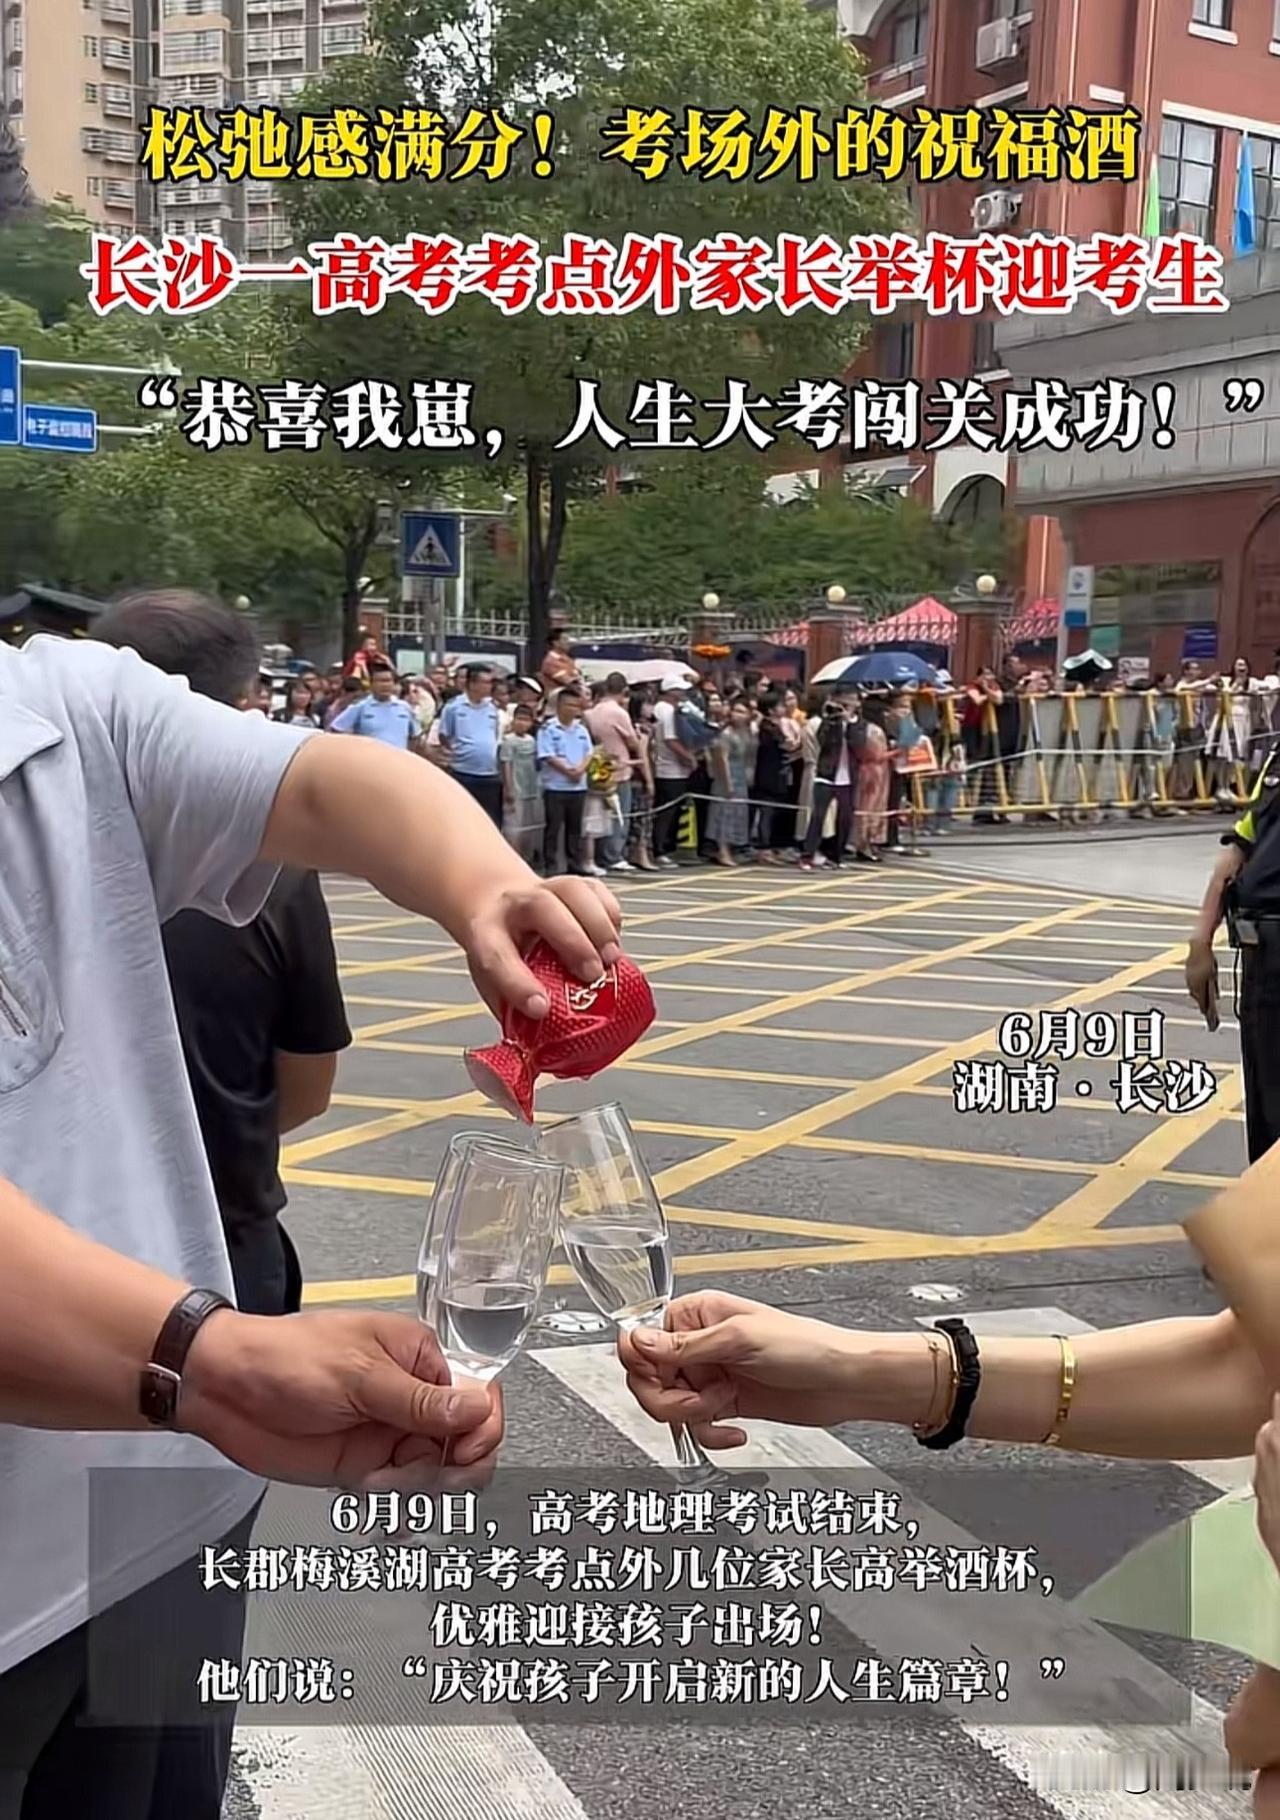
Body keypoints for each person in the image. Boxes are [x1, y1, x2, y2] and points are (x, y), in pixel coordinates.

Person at [0, 626, 621, 1819]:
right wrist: (213, 1360)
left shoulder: (59, 707)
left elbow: (333, 782)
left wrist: (485, 883)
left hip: (154, 1502)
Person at [93, 590, 351, 1321]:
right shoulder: (275, 875)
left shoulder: (32, 851)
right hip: (222, 1240)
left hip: (51, 1249)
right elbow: (308, 1088)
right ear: (242, 710)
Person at [1187, 750, 1280, 1162]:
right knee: (1268, 1112)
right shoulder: (1278, 760)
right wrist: (1200, 941)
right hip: (1265, 961)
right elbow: (1238, 849)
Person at [586, 673, 642, 874]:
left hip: (597, 768)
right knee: (619, 815)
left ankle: (600, 855)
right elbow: (633, 742)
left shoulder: (591, 712)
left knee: (600, 816)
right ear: (624, 690)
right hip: (620, 768)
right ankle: (614, 856)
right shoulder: (619, 713)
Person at [537, 683, 594, 877]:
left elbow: (589, 753)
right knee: (553, 828)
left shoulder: (581, 729)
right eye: (569, 705)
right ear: (560, 706)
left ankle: (574, 863)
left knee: (575, 828)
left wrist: (580, 770)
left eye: (577, 706)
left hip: (578, 786)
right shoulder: (548, 728)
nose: (573, 709)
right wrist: (568, 771)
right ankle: (551, 864)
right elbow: (547, 755)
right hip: (555, 786)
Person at [437, 663, 503, 825]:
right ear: (472, 684)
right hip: (463, 771)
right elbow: (444, 734)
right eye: (486, 682)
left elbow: (494, 734)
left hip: (490, 773)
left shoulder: (492, 708)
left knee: (491, 820)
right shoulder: (453, 707)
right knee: (463, 818)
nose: (490, 686)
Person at [800, 694, 857, 871]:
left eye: (846, 706)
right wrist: (832, 721)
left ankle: (837, 856)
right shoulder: (829, 723)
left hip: (847, 778)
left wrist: (850, 722)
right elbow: (822, 740)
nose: (842, 709)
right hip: (826, 775)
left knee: (845, 819)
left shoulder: (857, 724)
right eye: (841, 705)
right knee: (818, 817)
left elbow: (859, 743)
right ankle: (807, 855)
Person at [651, 674, 695, 870]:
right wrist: (688, 757)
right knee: (667, 812)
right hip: (671, 769)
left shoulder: (659, 708)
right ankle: (661, 850)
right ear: (670, 691)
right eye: (680, 689)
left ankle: (662, 848)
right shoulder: (668, 711)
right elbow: (671, 740)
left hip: (665, 767)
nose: (683, 693)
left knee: (666, 810)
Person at [328, 660, 420, 750]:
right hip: (370, 758)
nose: (385, 685)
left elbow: (416, 736)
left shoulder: (404, 708)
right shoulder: (361, 707)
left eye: (388, 681)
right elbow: (335, 730)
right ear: (371, 684)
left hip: (398, 758)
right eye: (380, 681)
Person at [708, 697, 756, 867]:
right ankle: (722, 851)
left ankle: (733, 848)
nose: (737, 715)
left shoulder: (749, 732)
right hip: (727, 775)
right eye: (735, 711)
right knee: (724, 813)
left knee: (737, 813)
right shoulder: (726, 733)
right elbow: (722, 759)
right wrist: (727, 782)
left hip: (742, 775)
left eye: (742, 711)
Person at [752, 694, 794, 866]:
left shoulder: (776, 726)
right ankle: (764, 849)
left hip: (779, 774)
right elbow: (783, 745)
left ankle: (775, 847)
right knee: (767, 813)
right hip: (767, 775)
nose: (784, 708)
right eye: (780, 705)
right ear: (770, 710)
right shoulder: (766, 728)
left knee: (777, 812)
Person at [500, 700, 542, 865]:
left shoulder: (531, 740)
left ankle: (527, 857)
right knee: (514, 825)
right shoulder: (508, 740)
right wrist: (508, 788)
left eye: (526, 720)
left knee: (529, 824)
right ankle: (513, 858)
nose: (522, 723)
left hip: (531, 787)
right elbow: (506, 763)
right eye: (519, 719)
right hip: (515, 787)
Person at [852, 693, 892, 862]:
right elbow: (878, 755)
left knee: (863, 806)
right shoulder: (875, 731)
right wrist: (899, 750)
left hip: (863, 769)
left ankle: (862, 842)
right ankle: (866, 844)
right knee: (872, 808)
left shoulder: (860, 728)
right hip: (876, 770)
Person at [538, 627, 580, 695]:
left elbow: (577, 677)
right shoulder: (550, 662)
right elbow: (569, 682)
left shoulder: (568, 659)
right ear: (555, 643)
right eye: (565, 639)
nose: (569, 642)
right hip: (556, 697)